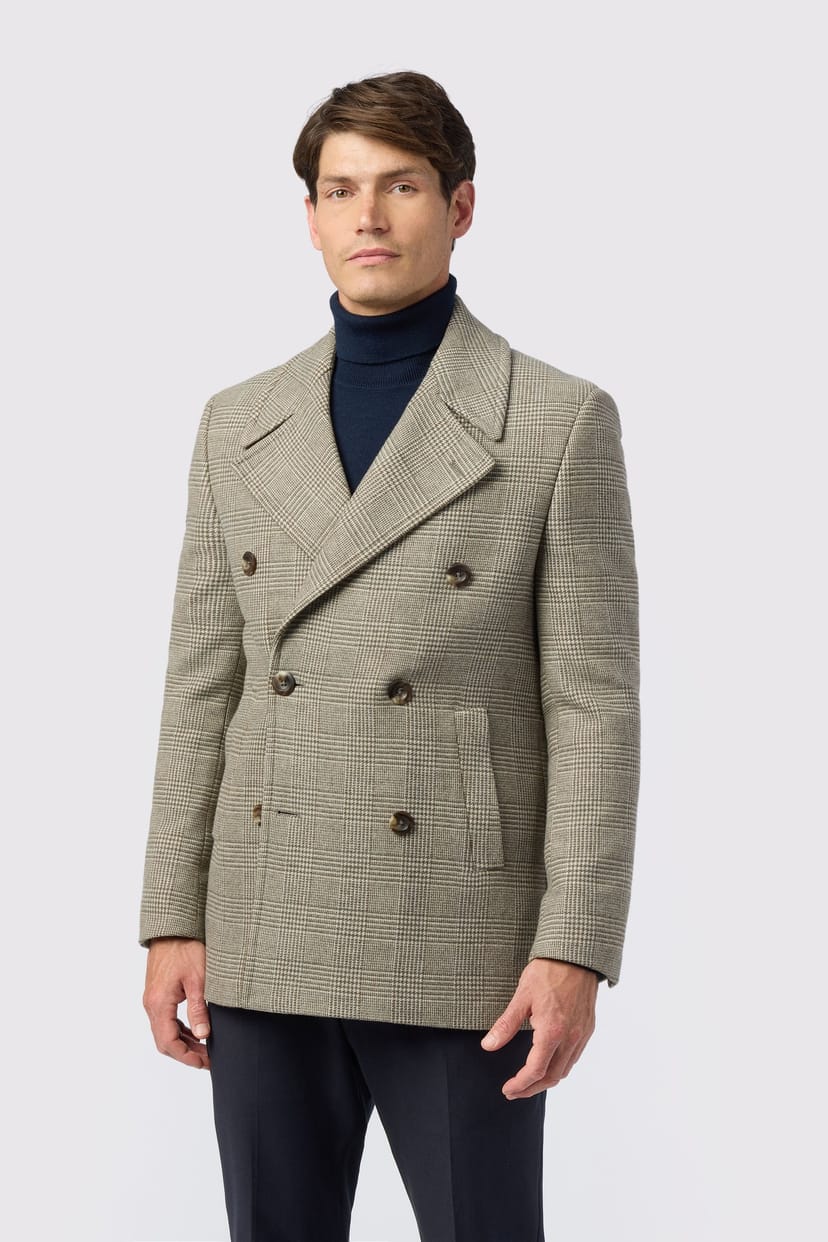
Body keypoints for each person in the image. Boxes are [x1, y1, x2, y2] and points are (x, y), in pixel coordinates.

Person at [139, 69, 641, 1242]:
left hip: (462, 937)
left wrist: (575, 946)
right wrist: (170, 915)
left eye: (401, 186)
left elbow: (595, 707)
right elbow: (200, 685)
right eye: (341, 189)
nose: (368, 216)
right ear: (311, 216)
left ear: (460, 207)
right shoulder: (235, 423)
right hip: (265, 919)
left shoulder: (556, 420)